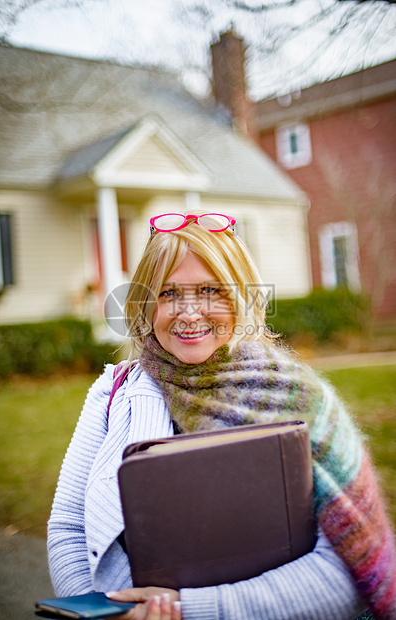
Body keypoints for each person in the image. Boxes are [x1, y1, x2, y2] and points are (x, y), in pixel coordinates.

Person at [48, 212, 396, 620]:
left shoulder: (300, 400)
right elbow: (69, 530)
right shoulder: (112, 395)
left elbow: (347, 573)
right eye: (169, 293)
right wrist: (107, 613)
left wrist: (188, 610)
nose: (190, 312)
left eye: (210, 290)